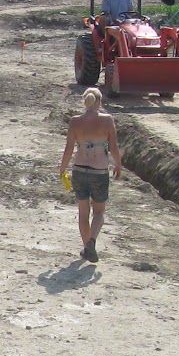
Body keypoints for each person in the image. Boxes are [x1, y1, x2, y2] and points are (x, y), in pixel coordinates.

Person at [59, 87, 123, 263]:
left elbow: (69, 149)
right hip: (99, 171)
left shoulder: (74, 121)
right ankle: (92, 242)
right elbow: (114, 147)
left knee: (83, 212)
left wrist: (62, 168)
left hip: (79, 169)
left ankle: (86, 247)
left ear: (84, 101)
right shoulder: (107, 120)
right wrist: (118, 164)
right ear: (99, 102)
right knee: (99, 212)